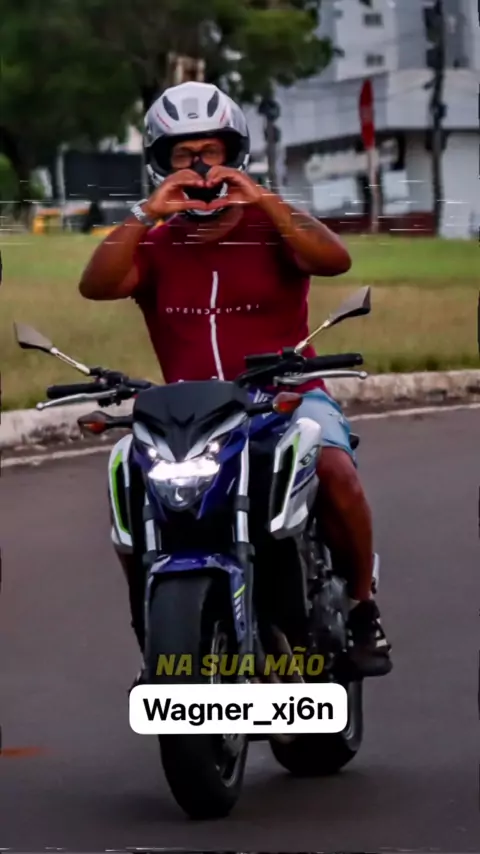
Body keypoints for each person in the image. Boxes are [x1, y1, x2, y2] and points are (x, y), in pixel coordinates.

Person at [78, 81, 392, 680]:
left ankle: (362, 607)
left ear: (235, 154)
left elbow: (334, 260)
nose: (199, 167)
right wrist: (147, 213)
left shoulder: (274, 232)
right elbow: (96, 285)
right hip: (191, 415)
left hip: (290, 398)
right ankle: (157, 637)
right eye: (182, 155)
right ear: (160, 163)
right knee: (131, 481)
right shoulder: (156, 246)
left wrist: (261, 199)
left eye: (211, 152)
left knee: (333, 467)